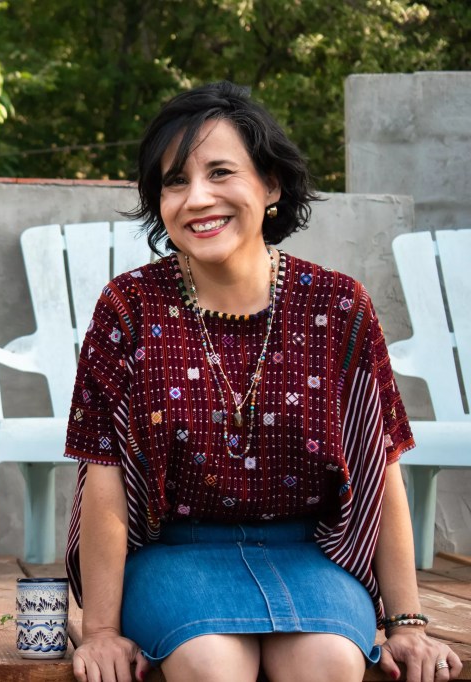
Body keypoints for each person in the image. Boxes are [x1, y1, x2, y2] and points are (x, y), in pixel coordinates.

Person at [64, 81, 462, 682]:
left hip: (310, 555)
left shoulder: (338, 305)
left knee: (330, 662)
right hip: (176, 555)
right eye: (175, 181)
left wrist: (407, 623)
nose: (197, 198)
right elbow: (104, 473)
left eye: (220, 172)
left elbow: (379, 464)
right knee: (211, 663)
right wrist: (100, 631)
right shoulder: (129, 307)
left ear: (271, 184)